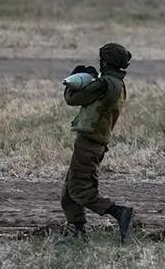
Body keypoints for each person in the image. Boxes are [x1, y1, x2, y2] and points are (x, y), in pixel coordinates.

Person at [61, 43, 134, 243]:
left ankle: (119, 213)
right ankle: (78, 234)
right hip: (95, 141)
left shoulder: (104, 84)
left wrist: (73, 79)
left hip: (89, 143)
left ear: (106, 61)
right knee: (69, 192)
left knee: (79, 190)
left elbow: (73, 99)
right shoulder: (117, 84)